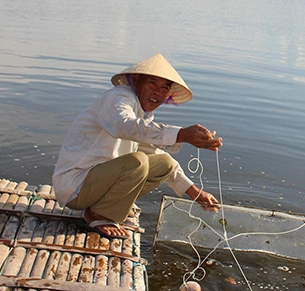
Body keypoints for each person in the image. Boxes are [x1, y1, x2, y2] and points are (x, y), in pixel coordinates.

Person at [52, 53, 223, 239]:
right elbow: (123, 125)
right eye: (152, 83)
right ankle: (97, 214)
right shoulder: (118, 98)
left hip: (96, 184)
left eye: (164, 87)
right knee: (138, 162)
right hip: (75, 187)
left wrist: (195, 192)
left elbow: (150, 148)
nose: (158, 92)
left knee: (163, 162)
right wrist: (181, 134)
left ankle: (108, 207)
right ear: (136, 80)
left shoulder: (143, 113)